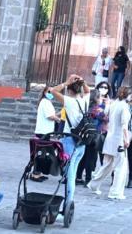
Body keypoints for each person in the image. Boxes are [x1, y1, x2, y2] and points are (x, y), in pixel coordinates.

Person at [50, 73, 90, 208]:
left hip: (69, 141)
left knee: (70, 176)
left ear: (69, 90)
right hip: (82, 143)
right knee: (72, 172)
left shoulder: (69, 102)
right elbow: (88, 90)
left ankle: (68, 203)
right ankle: (68, 201)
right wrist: (82, 81)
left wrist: (66, 82)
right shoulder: (84, 100)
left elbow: (53, 91)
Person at [88, 86, 130, 198]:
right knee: (120, 167)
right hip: (119, 139)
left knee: (107, 165)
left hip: (110, 138)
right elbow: (124, 125)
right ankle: (115, 192)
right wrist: (126, 139)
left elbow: (106, 113)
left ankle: (94, 184)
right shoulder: (124, 107)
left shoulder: (114, 104)